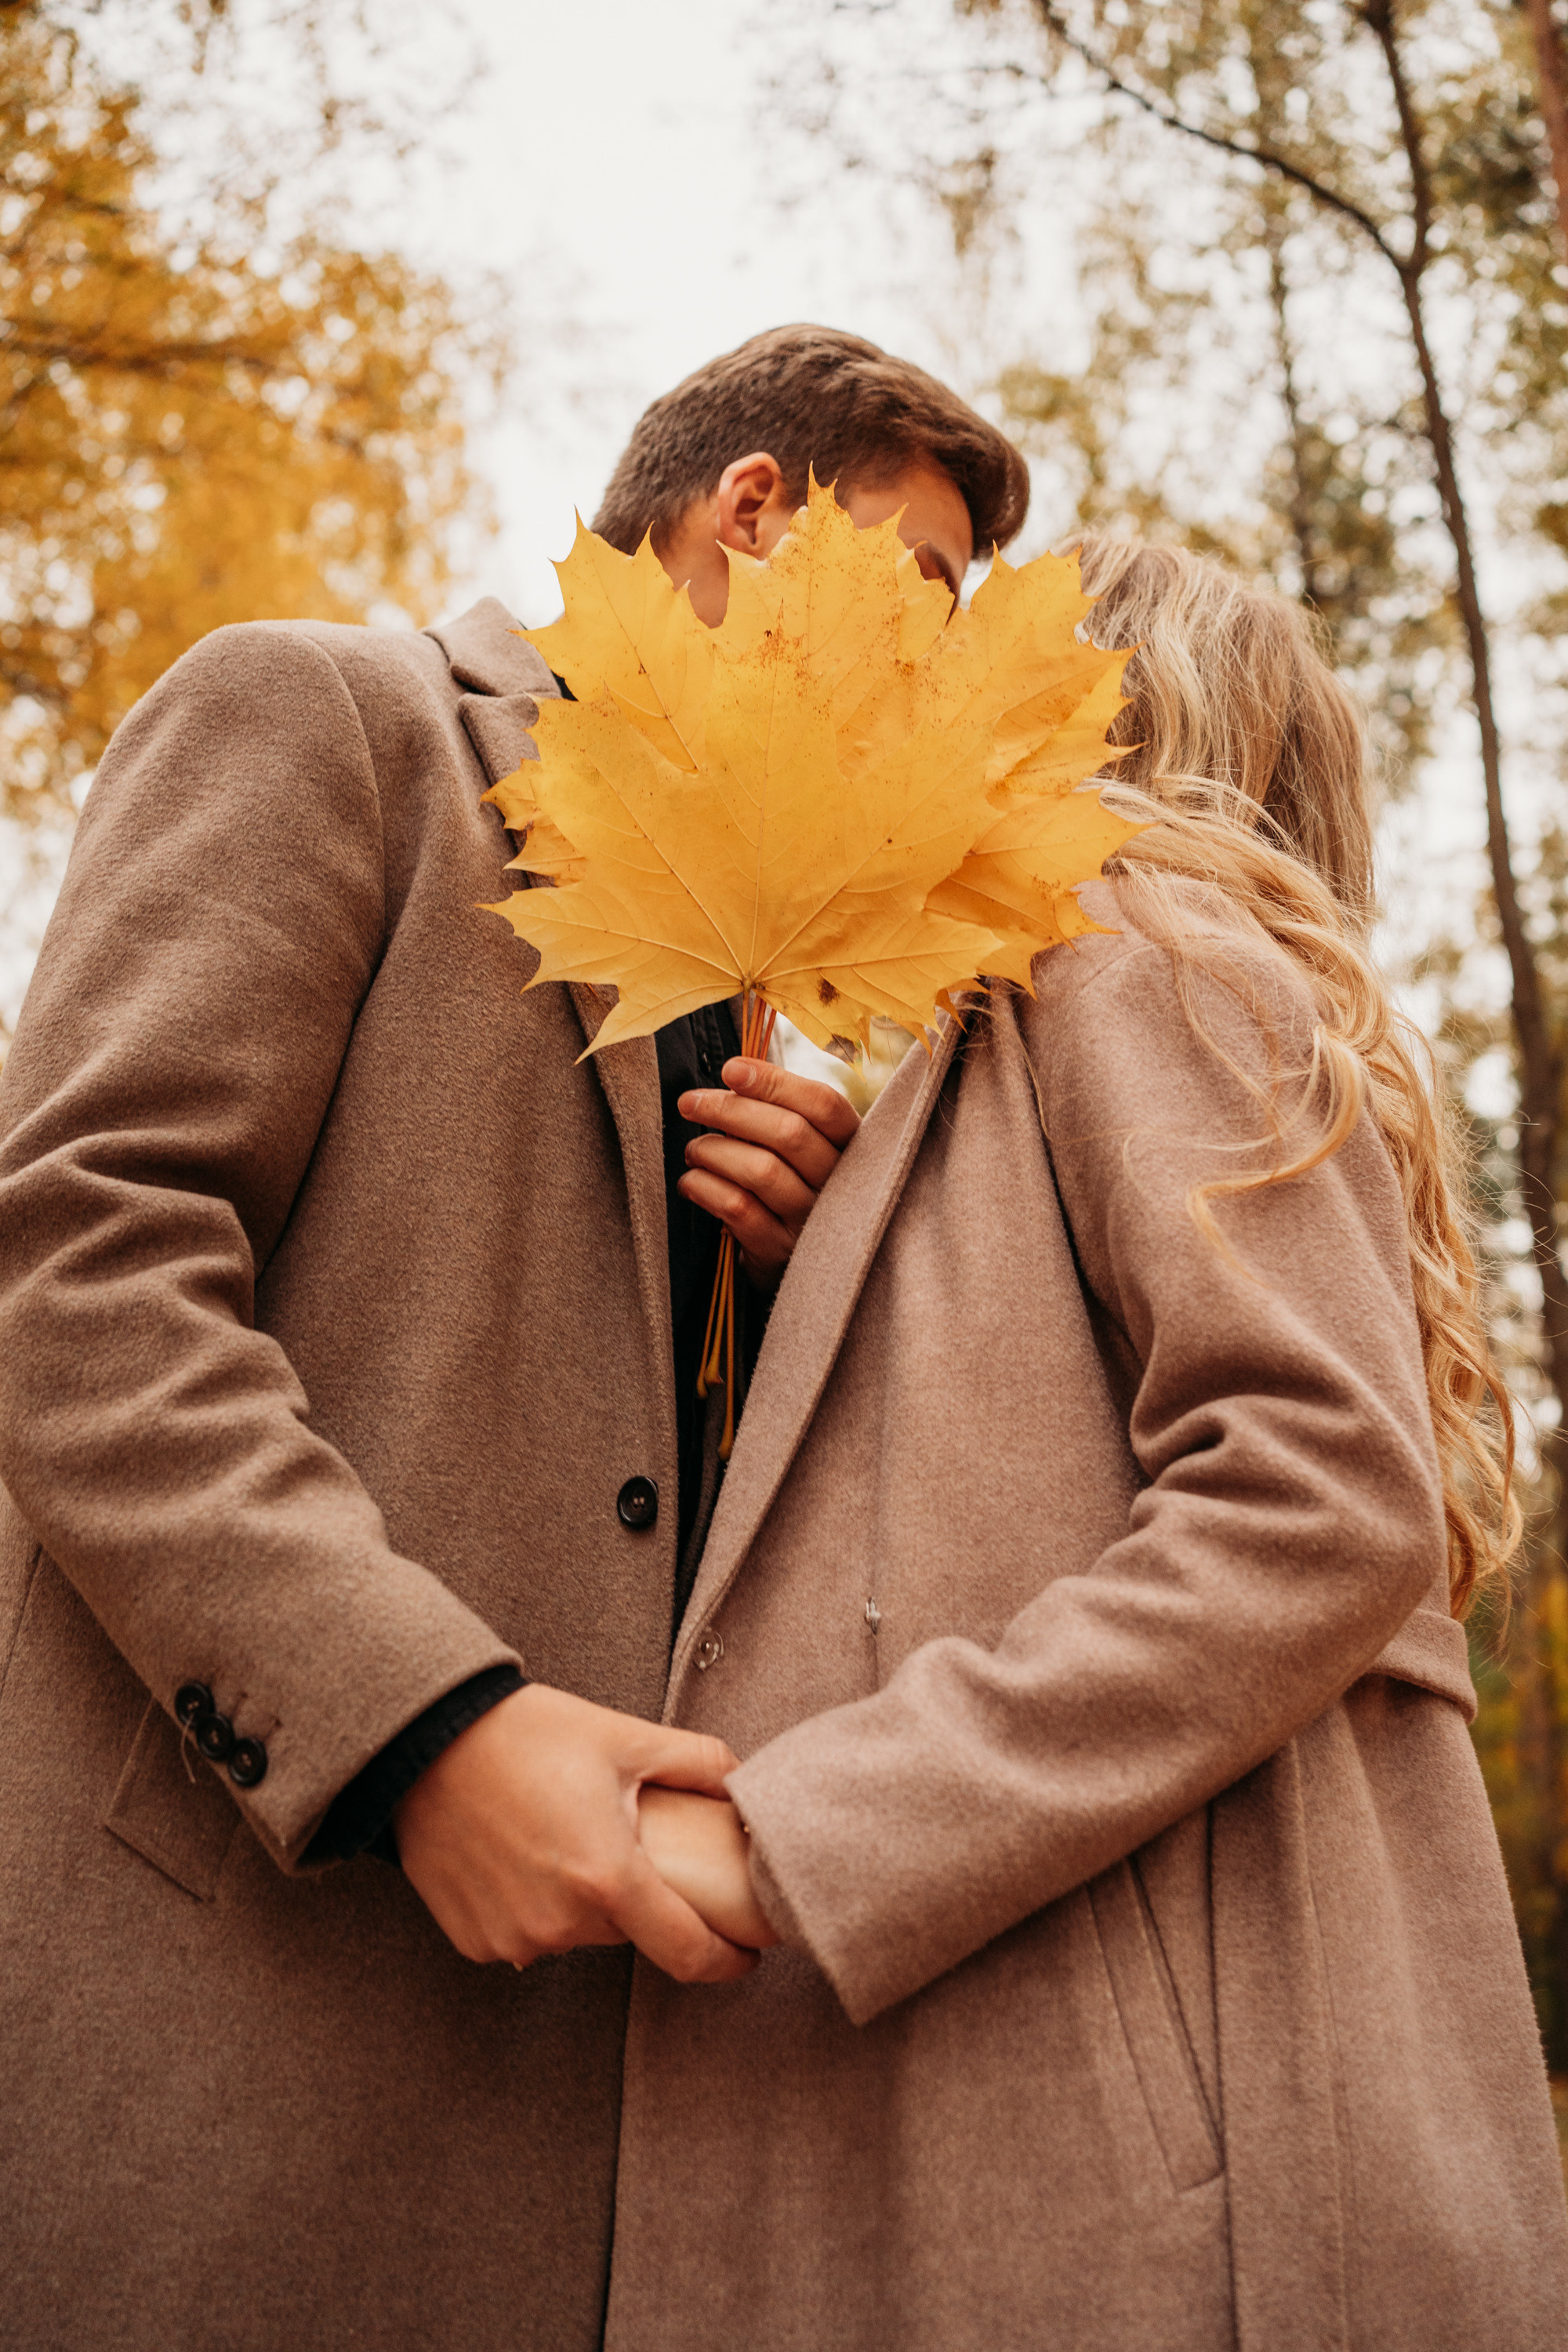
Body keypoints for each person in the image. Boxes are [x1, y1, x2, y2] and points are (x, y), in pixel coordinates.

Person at [0, 325, 1029, 2347]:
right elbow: (76, 1260)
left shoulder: (754, 987)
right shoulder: (333, 715)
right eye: (914, 595)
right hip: (236, 2014)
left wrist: (817, 1280)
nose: (928, 678)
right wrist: (414, 1729)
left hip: (613, 2118)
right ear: (753, 511)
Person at [617, 540, 1568, 2349]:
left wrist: (797, 1834)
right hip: (1154, 2078)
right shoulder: (1129, 1007)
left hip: (1140, 2140)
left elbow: (1315, 1501)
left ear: (1091, 706)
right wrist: (840, 1262)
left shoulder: (1131, 941)